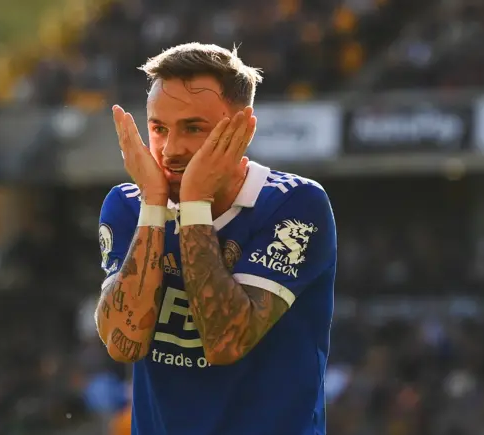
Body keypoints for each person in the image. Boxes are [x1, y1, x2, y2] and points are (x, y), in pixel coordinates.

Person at [94, 42, 337, 435]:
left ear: (241, 128)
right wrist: (155, 208)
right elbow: (124, 344)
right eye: (158, 129)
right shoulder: (128, 205)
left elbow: (225, 343)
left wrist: (193, 204)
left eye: (193, 128)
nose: (171, 150)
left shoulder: (294, 204)